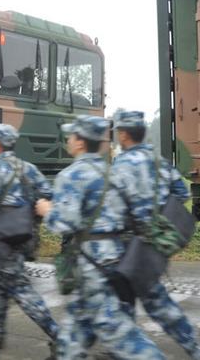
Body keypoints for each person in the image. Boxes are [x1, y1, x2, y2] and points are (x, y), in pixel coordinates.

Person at [36, 115, 164, 359]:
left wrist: (47, 211)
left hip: (92, 265)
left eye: (72, 135)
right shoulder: (114, 172)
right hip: (118, 258)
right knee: (74, 333)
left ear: (80, 142)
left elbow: (65, 224)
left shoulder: (71, 175)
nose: (68, 140)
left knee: (123, 337)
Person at [113, 111, 200, 359]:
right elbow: (182, 192)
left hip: (131, 245)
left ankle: (132, 349)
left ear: (124, 134)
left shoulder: (120, 165)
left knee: (143, 301)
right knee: (139, 299)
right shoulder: (159, 161)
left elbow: (114, 207)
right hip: (157, 241)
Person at [0, 124, 58, 357]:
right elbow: (47, 193)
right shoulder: (28, 168)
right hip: (24, 236)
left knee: (19, 289)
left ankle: (59, 336)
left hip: (2, 240)